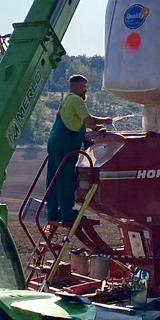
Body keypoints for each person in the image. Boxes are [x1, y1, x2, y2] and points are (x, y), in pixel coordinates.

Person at [45, 74, 112, 224]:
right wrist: (103, 122)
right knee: (65, 178)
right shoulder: (76, 100)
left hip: (55, 141)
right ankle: (67, 213)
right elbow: (88, 120)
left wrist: (94, 126)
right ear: (75, 86)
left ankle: (53, 212)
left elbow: (78, 123)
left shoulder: (67, 99)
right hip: (65, 143)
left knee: (54, 178)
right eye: (83, 86)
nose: (85, 89)